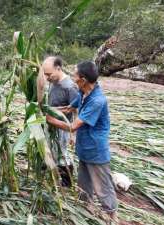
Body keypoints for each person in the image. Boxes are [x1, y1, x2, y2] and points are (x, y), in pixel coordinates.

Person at [57, 61, 118, 223]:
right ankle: (85, 209)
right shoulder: (83, 94)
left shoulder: (97, 100)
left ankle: (111, 216)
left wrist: (50, 120)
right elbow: (68, 109)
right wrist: (45, 109)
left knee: (102, 186)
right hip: (84, 147)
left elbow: (73, 126)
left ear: (83, 79)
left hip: (96, 150)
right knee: (84, 183)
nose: (72, 78)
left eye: (74, 75)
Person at [42, 56, 78, 187]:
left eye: (49, 74)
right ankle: (48, 170)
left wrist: (73, 134)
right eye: (45, 74)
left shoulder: (70, 86)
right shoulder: (54, 81)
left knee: (62, 153)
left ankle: (67, 182)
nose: (47, 78)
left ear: (58, 68)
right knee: (51, 149)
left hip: (62, 126)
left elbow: (75, 109)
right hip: (51, 123)